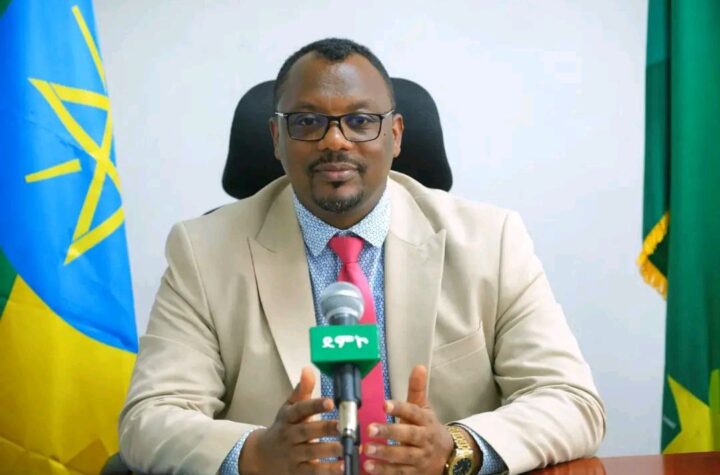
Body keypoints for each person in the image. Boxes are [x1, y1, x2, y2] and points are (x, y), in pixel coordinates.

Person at [119, 38, 605, 475]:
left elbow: (570, 400)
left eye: (360, 121)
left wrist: (456, 448)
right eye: (307, 122)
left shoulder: (490, 241)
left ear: (395, 135)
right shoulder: (203, 251)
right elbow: (149, 419)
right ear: (276, 139)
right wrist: (257, 455)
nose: (335, 140)